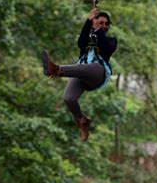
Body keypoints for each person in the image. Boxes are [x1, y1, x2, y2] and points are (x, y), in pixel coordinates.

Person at [41, 8, 117, 141]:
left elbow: (105, 47)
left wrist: (97, 29)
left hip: (98, 72)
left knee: (84, 68)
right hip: (81, 71)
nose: (104, 25)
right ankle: (82, 121)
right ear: (95, 22)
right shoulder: (87, 38)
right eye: (101, 22)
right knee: (68, 98)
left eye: (106, 24)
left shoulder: (111, 41)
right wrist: (89, 21)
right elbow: (80, 43)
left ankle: (56, 69)